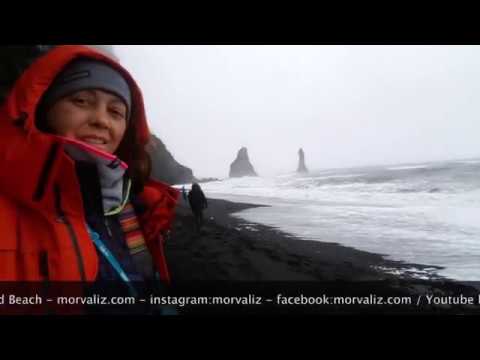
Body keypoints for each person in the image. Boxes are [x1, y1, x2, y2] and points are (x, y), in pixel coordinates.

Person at [0, 45, 179, 313]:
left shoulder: (134, 205)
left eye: (116, 112)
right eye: (81, 101)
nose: (101, 120)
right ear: (45, 109)